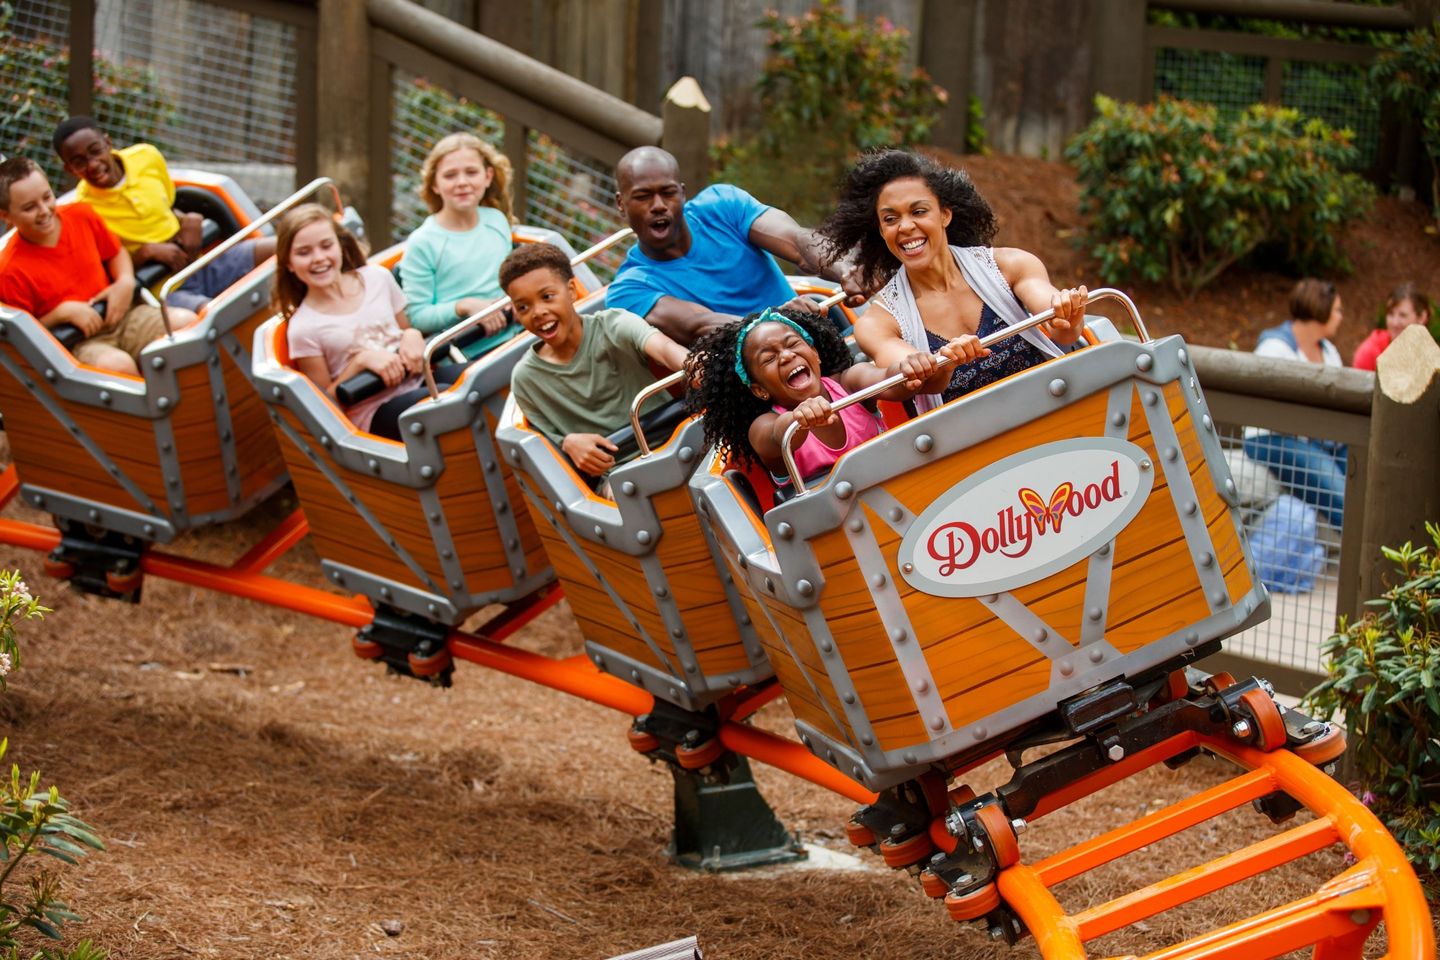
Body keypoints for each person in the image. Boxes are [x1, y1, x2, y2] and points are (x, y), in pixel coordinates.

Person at [819, 149, 1087, 414]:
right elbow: (916, 381)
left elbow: (1061, 329)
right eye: (891, 219)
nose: (905, 226)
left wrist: (1067, 313)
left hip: (1050, 409)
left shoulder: (1011, 265)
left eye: (919, 212)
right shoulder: (878, 323)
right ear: (881, 230)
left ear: (945, 215)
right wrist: (944, 365)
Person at [607, 146, 864, 346]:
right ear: (621, 204)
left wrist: (845, 268)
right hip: (751, 381)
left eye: (668, 192)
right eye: (643, 197)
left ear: (683, 193)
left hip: (814, 337)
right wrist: (773, 319)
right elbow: (699, 324)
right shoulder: (629, 289)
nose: (659, 205)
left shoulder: (722, 204)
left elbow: (797, 242)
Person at [684, 305, 956, 483]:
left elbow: (887, 379)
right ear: (760, 390)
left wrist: (908, 367)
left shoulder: (849, 383)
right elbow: (779, 435)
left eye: (793, 344)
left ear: (814, 353)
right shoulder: (761, 426)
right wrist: (798, 420)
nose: (787, 355)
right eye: (769, 358)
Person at [502, 242, 687, 487]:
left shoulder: (613, 325)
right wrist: (568, 442)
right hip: (620, 475)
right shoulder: (526, 379)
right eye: (523, 307)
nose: (538, 312)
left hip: (678, 442)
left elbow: (664, 349)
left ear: (571, 291)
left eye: (547, 297)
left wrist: (693, 364)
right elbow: (552, 446)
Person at [274, 204, 464, 441]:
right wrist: (360, 363)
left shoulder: (377, 278)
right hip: (372, 411)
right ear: (289, 263)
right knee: (446, 400)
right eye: (304, 252)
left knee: (475, 377)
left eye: (326, 246)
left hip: (416, 380)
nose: (319, 258)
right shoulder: (303, 328)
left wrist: (412, 335)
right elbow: (323, 406)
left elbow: (406, 330)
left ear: (340, 245)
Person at [52, 116, 276, 311]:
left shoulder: (146, 157)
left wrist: (188, 218)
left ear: (108, 142)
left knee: (285, 246)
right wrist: (145, 253)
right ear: (69, 170)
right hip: (164, 291)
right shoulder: (82, 211)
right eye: (79, 162)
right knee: (218, 311)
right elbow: (104, 275)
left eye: (96, 151)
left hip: (203, 263)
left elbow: (165, 205)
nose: (92, 164)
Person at [0, 157, 185, 375]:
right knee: (117, 366)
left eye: (47, 197)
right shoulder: (10, 270)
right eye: (30, 207)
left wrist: (125, 281)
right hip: (78, 343)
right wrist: (61, 314)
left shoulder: (81, 215)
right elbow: (23, 336)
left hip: (125, 317)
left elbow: (116, 253)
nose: (44, 210)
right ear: (6, 216)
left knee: (185, 323)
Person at [1243, 278, 1347, 528]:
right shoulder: (1275, 348)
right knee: (1337, 492)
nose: (1341, 317)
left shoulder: (1329, 351)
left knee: (1364, 473)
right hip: (1271, 439)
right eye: (1337, 310)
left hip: (1323, 438)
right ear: (1319, 308)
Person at [400, 133, 515, 357]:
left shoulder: (496, 220)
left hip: (516, 335)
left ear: (488, 176)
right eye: (450, 175)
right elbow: (417, 316)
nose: (462, 182)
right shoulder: (423, 242)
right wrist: (464, 306)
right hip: (462, 353)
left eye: (471, 172)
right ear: (435, 184)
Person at [1352, 283, 1432, 371]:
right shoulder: (1370, 353)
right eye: (1390, 314)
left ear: (1421, 318)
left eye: (1403, 315)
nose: (1395, 323)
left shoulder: (1430, 356)